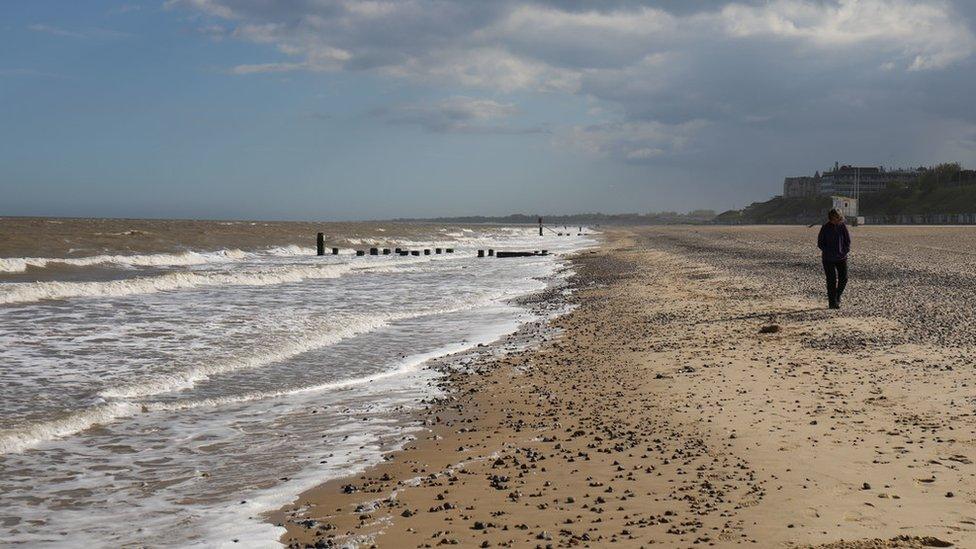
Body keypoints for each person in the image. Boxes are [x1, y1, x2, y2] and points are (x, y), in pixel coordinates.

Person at [817, 209, 851, 309]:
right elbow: (820, 243)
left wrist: (845, 250)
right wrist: (828, 251)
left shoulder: (842, 226)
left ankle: (837, 295)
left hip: (842, 257)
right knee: (831, 281)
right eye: (836, 218)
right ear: (831, 218)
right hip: (828, 259)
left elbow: (847, 241)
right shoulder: (825, 228)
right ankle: (832, 303)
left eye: (839, 218)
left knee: (844, 279)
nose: (838, 220)